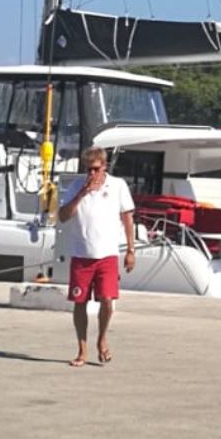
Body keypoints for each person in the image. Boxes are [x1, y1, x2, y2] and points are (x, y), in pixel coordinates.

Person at [58, 146, 135, 367]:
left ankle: (102, 339)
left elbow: (127, 217)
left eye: (95, 169)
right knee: (79, 302)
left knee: (107, 301)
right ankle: (82, 350)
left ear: (104, 167)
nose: (91, 174)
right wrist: (82, 193)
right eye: (88, 170)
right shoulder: (76, 186)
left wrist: (130, 250)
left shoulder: (118, 185)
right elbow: (63, 216)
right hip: (82, 254)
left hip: (107, 253)